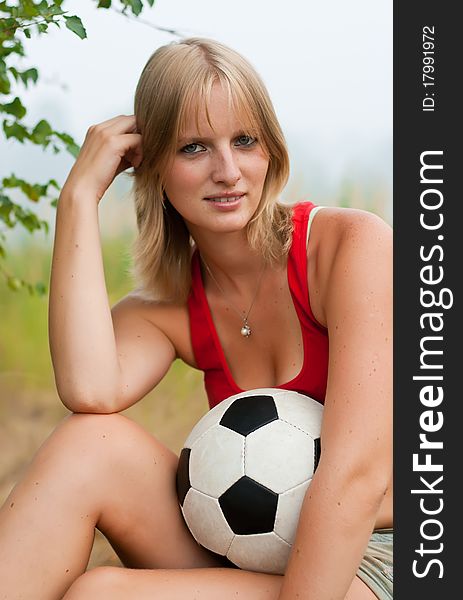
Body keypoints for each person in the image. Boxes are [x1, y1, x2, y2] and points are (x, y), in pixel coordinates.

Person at [0, 37, 392, 600]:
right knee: (89, 444)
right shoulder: (169, 310)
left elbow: (357, 477)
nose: (228, 171)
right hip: (256, 556)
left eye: (244, 141)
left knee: (102, 594)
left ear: (271, 151)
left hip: (387, 555)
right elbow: (88, 390)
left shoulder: (352, 248)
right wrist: (79, 197)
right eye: (193, 149)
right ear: (152, 167)